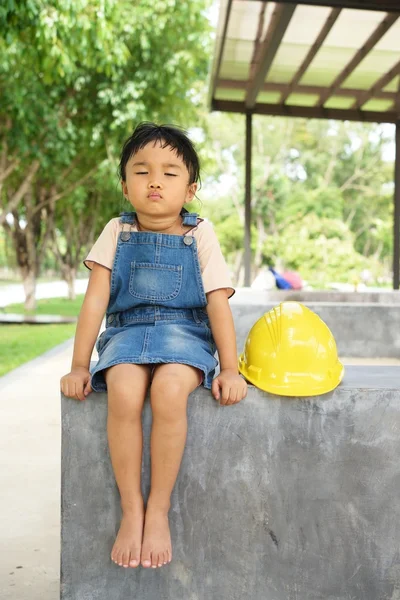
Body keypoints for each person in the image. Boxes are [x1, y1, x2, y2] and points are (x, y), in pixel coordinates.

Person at [60, 122, 247, 571]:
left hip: (187, 334)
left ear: (191, 188)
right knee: (123, 390)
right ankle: (132, 509)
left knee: (167, 392)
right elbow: (95, 301)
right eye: (141, 172)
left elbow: (217, 302)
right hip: (127, 332)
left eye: (169, 172)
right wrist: (79, 364)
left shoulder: (199, 234)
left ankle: (158, 509)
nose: (155, 181)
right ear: (126, 187)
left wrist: (230, 367)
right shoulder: (115, 232)